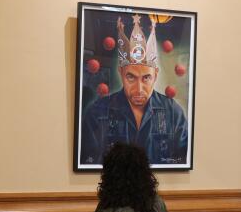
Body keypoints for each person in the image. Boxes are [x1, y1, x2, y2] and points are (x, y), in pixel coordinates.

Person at [80, 15, 188, 165]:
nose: (139, 89)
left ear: (155, 75)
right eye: (131, 77)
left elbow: (181, 160)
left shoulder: (174, 113)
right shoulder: (97, 113)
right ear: (121, 73)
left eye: (146, 78)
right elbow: (88, 162)